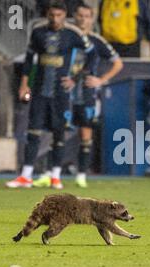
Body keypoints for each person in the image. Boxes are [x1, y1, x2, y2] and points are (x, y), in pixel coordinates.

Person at [33, 3, 123, 188]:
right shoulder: (67, 36)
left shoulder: (97, 41)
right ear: (75, 17)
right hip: (62, 92)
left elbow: (118, 63)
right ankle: (49, 173)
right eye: (80, 16)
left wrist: (101, 80)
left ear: (92, 19)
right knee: (55, 132)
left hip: (85, 92)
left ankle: (81, 175)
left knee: (85, 133)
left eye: (87, 16)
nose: (83, 19)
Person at [6, 0, 95, 189]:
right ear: (47, 14)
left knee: (59, 133)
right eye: (52, 15)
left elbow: (92, 55)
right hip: (39, 91)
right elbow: (29, 61)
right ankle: (26, 175)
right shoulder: (38, 33)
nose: (55, 19)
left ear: (64, 16)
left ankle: (56, 176)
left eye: (59, 16)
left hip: (61, 93)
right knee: (33, 132)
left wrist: (76, 78)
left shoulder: (72, 35)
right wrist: (24, 85)